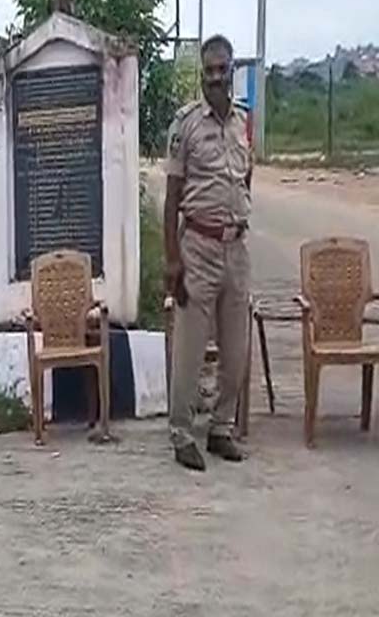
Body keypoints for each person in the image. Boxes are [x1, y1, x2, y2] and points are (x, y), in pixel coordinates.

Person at [163, 33, 252, 471]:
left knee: (236, 349)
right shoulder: (185, 125)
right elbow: (172, 196)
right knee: (191, 349)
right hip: (196, 247)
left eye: (222, 69)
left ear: (232, 71)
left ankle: (220, 428)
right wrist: (172, 259)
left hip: (235, 248)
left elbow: (244, 181)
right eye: (209, 71)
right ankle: (181, 432)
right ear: (202, 75)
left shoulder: (242, 123)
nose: (216, 77)